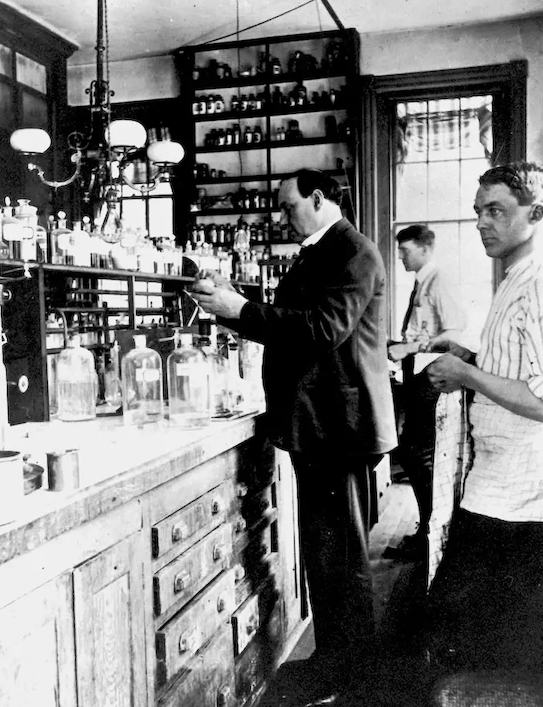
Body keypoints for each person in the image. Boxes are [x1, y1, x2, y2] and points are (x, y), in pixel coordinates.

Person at [192, 168, 397, 706]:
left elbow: (321, 330)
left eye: (289, 206)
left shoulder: (353, 251)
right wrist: (238, 306)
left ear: (320, 197)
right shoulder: (320, 250)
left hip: (339, 427)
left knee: (341, 555)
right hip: (321, 425)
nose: (283, 217)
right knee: (326, 550)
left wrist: (241, 311)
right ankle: (336, 662)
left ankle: (355, 678)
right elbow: (293, 318)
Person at [424, 162, 543, 673]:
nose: (481, 222)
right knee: (471, 639)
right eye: (478, 211)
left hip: (519, 492)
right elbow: (522, 371)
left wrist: (466, 375)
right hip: (497, 481)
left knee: (477, 647)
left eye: (495, 210)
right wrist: (473, 360)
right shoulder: (518, 277)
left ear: (537, 214)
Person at [387, 225, 465, 559]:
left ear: (425, 249)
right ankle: (428, 532)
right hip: (418, 375)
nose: (401, 256)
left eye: (406, 250)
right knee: (413, 453)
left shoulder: (439, 281)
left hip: (431, 378)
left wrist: (409, 348)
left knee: (419, 455)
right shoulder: (423, 281)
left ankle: (433, 537)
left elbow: (455, 333)